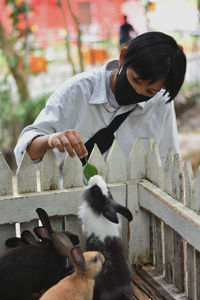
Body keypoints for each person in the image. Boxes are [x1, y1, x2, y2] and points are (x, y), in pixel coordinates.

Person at [14, 31, 186, 172]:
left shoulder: (160, 103)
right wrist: (51, 139)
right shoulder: (77, 91)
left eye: (150, 91)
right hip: (74, 209)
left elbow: (166, 163)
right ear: (123, 57)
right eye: (135, 80)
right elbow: (25, 154)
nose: (139, 91)